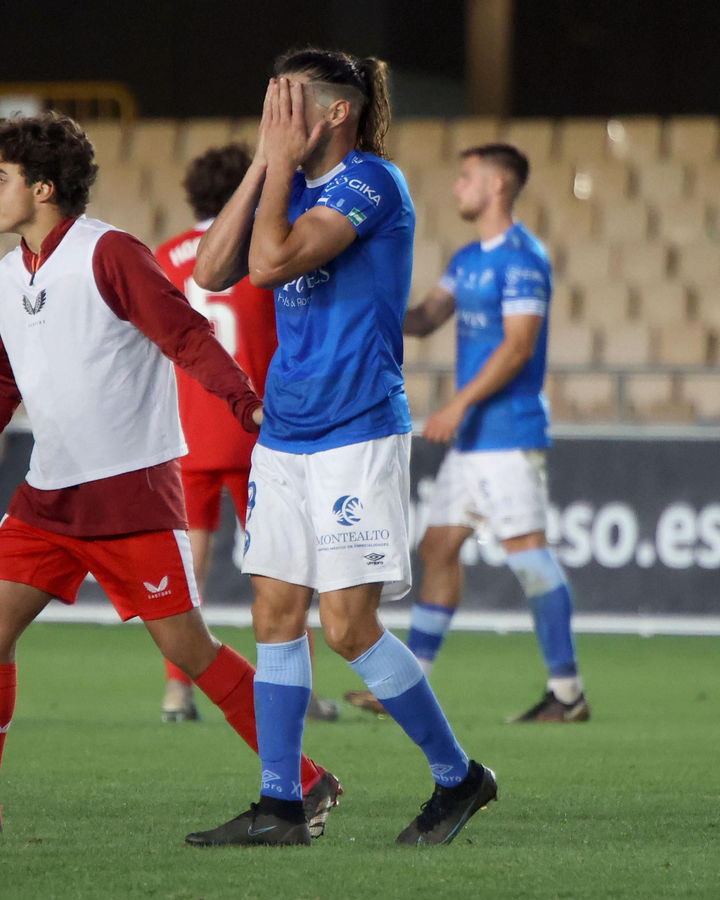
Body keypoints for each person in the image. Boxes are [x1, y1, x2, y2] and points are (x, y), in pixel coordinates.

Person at [0, 113, 341, 838]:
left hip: (130, 493)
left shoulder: (112, 254)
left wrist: (243, 403)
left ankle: (308, 780)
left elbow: (187, 335)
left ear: (41, 189)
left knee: (190, 652)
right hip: (47, 498)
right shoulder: (9, 274)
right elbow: (1, 381)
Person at [186, 49, 495, 848]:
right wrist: (265, 163)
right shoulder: (283, 174)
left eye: (285, 107)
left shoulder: (371, 183)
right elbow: (214, 271)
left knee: (348, 628)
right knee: (273, 612)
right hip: (286, 433)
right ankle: (282, 802)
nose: (272, 121)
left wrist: (278, 166)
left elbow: (268, 261)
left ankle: (460, 777)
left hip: (357, 429)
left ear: (334, 114)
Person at [348, 144, 589, 724]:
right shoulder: (466, 259)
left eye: (467, 178)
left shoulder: (523, 258)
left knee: (528, 557)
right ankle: (411, 685)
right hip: (475, 440)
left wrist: (455, 405)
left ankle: (567, 692)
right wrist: (369, 299)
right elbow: (427, 317)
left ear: (498, 186)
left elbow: (517, 348)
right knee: (438, 547)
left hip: (508, 431)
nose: (457, 188)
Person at [153, 143, 337, 725]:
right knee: (283, 568)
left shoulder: (166, 256)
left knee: (189, 571)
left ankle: (177, 693)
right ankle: (299, 693)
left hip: (186, 433)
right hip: (258, 429)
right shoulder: (264, 249)